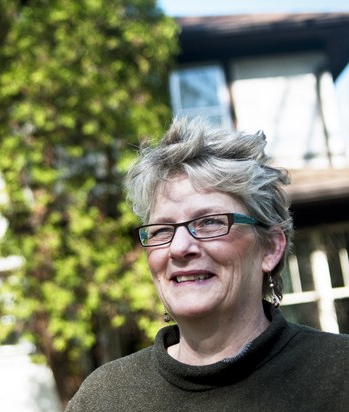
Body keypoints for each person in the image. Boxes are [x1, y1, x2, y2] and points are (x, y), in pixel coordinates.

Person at [65, 117, 349, 411]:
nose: (179, 248)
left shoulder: (339, 374)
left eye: (209, 222)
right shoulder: (105, 398)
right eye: (162, 230)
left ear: (270, 248)